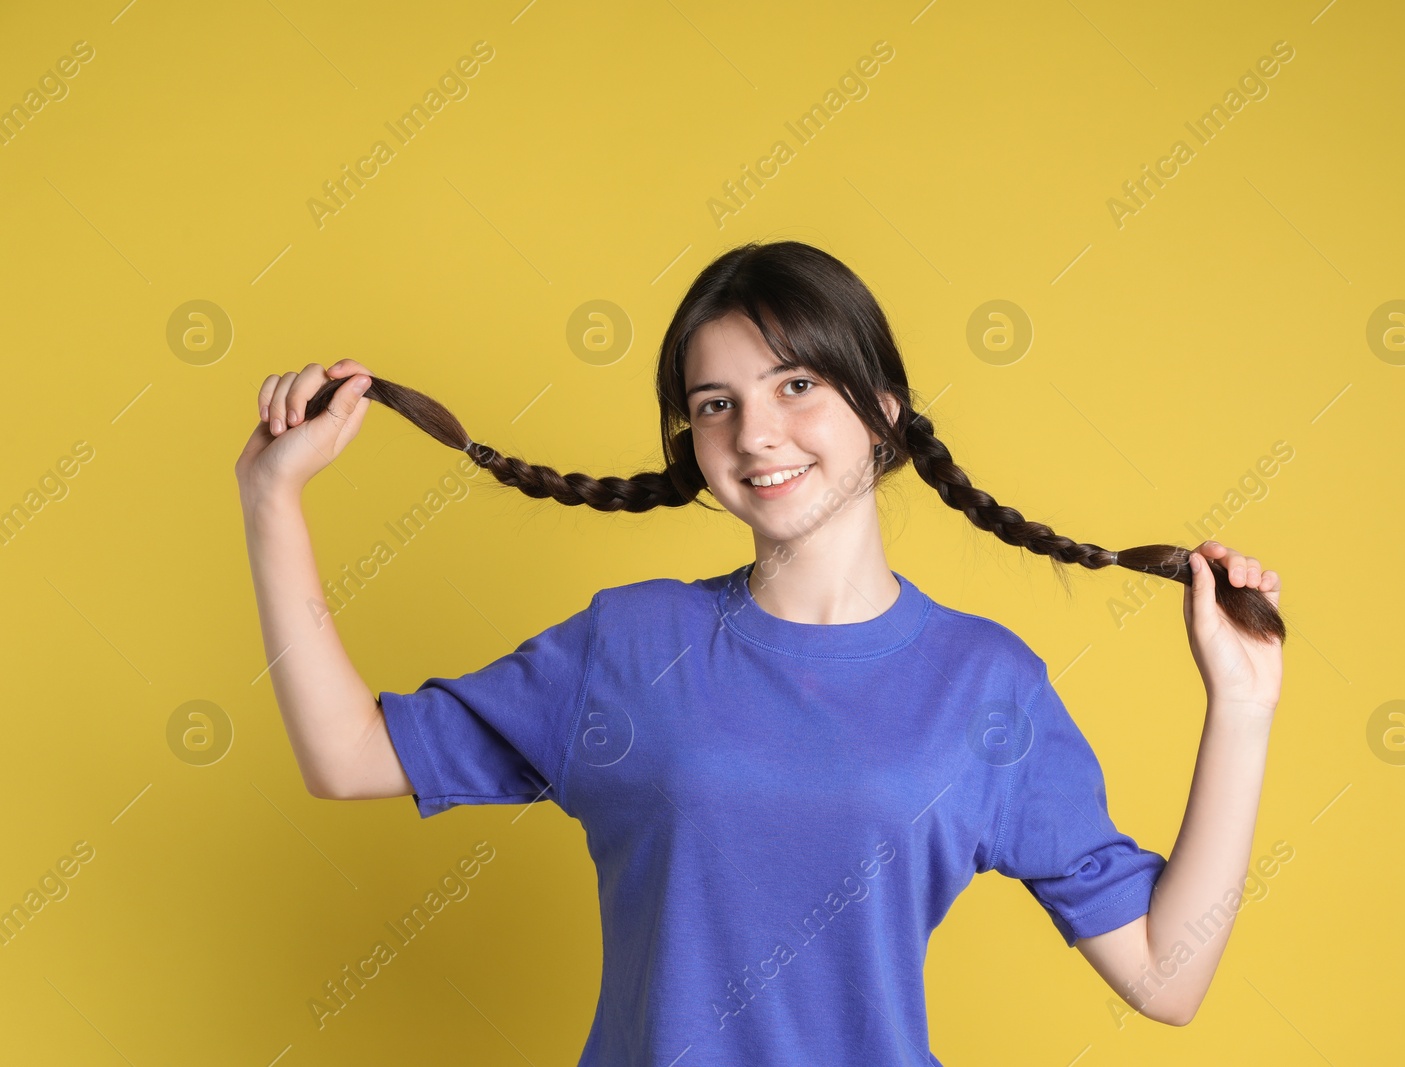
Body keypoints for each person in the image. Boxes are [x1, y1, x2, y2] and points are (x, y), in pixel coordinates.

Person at [235, 241, 1284, 1065]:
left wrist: (1240, 708)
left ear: (881, 411)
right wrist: (270, 497)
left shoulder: (984, 683)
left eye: (795, 386)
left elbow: (1165, 978)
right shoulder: (627, 642)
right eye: (714, 404)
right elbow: (347, 754)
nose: (754, 431)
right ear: (690, 445)